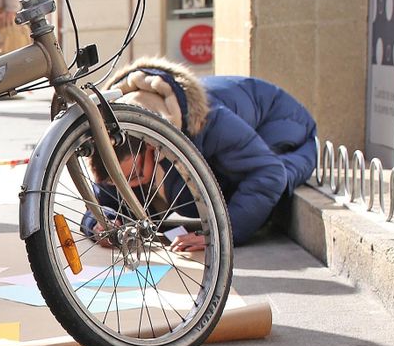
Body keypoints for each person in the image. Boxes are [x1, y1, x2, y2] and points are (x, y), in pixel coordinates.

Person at [90, 57, 320, 248]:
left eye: (136, 175)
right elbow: (103, 199)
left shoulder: (208, 122)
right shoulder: (115, 135)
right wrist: (101, 223)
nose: (129, 186)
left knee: (263, 185)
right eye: (119, 180)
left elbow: (269, 173)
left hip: (287, 126)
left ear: (151, 145)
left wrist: (219, 235)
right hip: (246, 123)